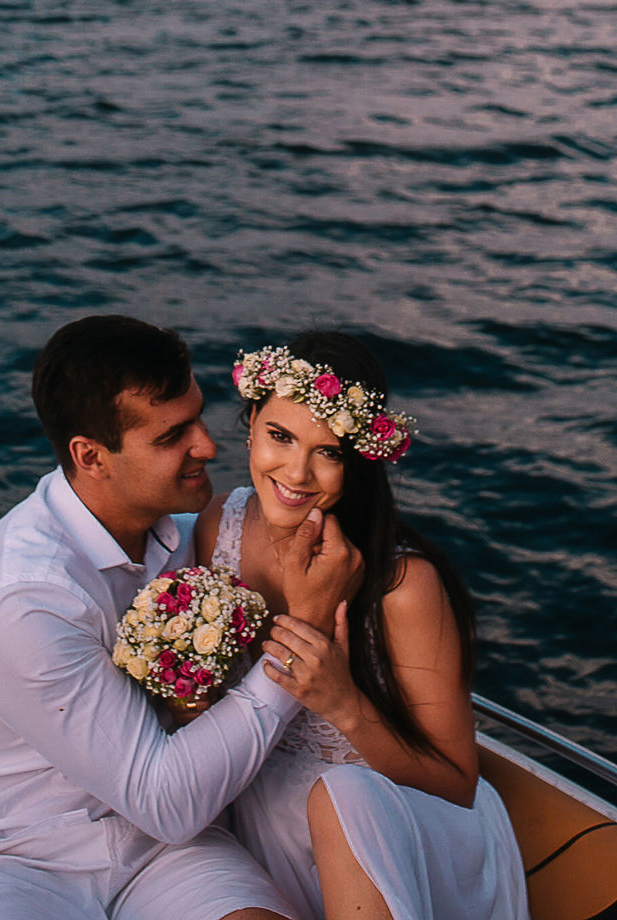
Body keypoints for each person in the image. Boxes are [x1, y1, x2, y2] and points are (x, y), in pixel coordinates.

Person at [0, 314, 361, 920]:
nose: (207, 446)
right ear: (91, 456)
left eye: (199, 417)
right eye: (172, 436)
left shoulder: (186, 534)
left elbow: (166, 817)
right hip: (6, 856)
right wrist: (303, 632)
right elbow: (167, 802)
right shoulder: (22, 599)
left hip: (160, 849)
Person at [197, 331, 529, 920]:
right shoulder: (219, 524)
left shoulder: (404, 586)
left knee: (343, 791)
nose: (297, 472)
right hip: (266, 815)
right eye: (280, 436)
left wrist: (343, 702)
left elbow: (457, 784)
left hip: (399, 830)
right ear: (250, 425)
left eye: (328, 452)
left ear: (357, 461)